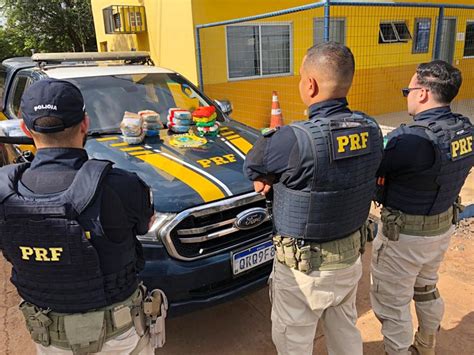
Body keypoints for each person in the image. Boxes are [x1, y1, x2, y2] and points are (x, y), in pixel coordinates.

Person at [244, 42, 384, 355]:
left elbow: (252, 165)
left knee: (294, 341)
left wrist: (271, 179)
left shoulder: (293, 138)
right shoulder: (371, 129)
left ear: (311, 84)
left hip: (304, 269)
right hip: (350, 258)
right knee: (345, 329)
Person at [0, 79, 156, 354]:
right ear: (85, 123)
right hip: (118, 337)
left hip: (48, 336)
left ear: (25, 128)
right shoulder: (122, 184)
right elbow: (144, 226)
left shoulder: (3, 190)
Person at [371, 60, 474, 355]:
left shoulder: (412, 139)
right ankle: (426, 346)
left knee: (392, 304)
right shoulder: (464, 130)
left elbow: (375, 169)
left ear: (423, 93)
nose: (407, 95)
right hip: (441, 229)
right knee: (426, 288)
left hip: (404, 238)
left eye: (408, 89)